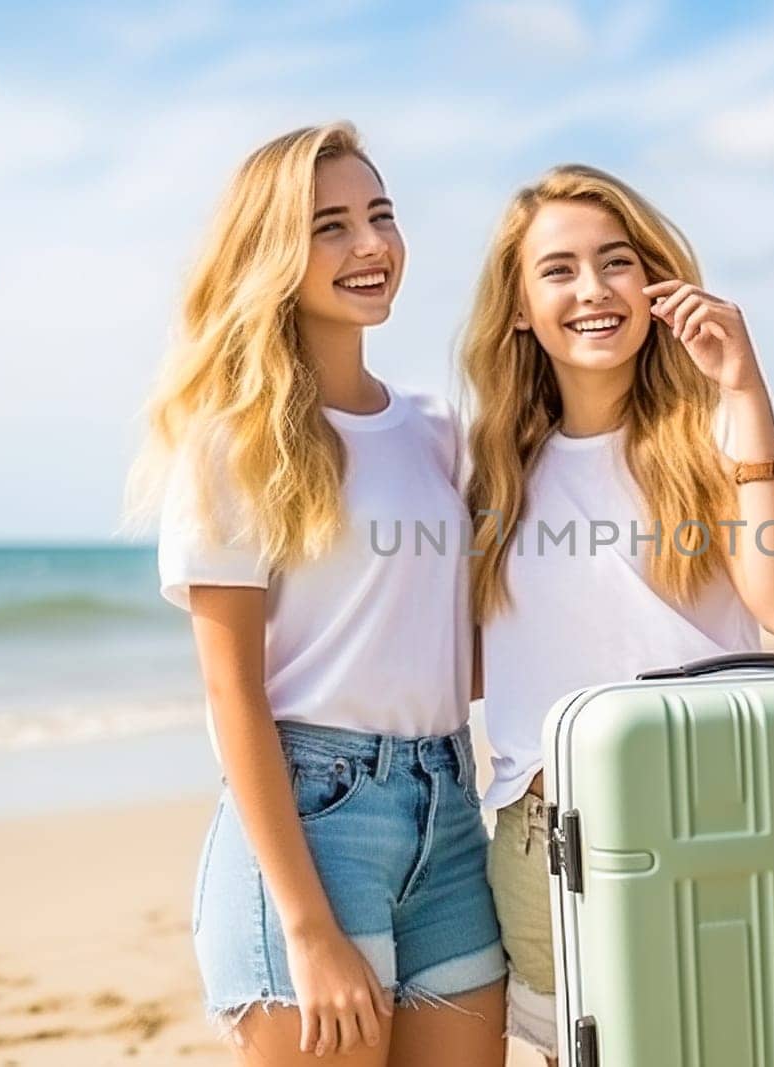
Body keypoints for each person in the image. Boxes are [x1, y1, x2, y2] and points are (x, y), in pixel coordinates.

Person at [131, 123, 506, 1066]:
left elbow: (459, 647)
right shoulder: (235, 440)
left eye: (380, 215)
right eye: (329, 226)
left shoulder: (438, 430)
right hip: (312, 824)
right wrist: (304, 924)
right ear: (271, 256)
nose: (370, 245)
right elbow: (233, 694)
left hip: (451, 811)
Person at [459, 164, 774, 1063]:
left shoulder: (719, 437)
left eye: (615, 261)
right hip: (544, 838)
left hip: (706, 815)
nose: (592, 289)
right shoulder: (492, 471)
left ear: (656, 281)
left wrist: (744, 388)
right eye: (558, 269)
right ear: (516, 306)